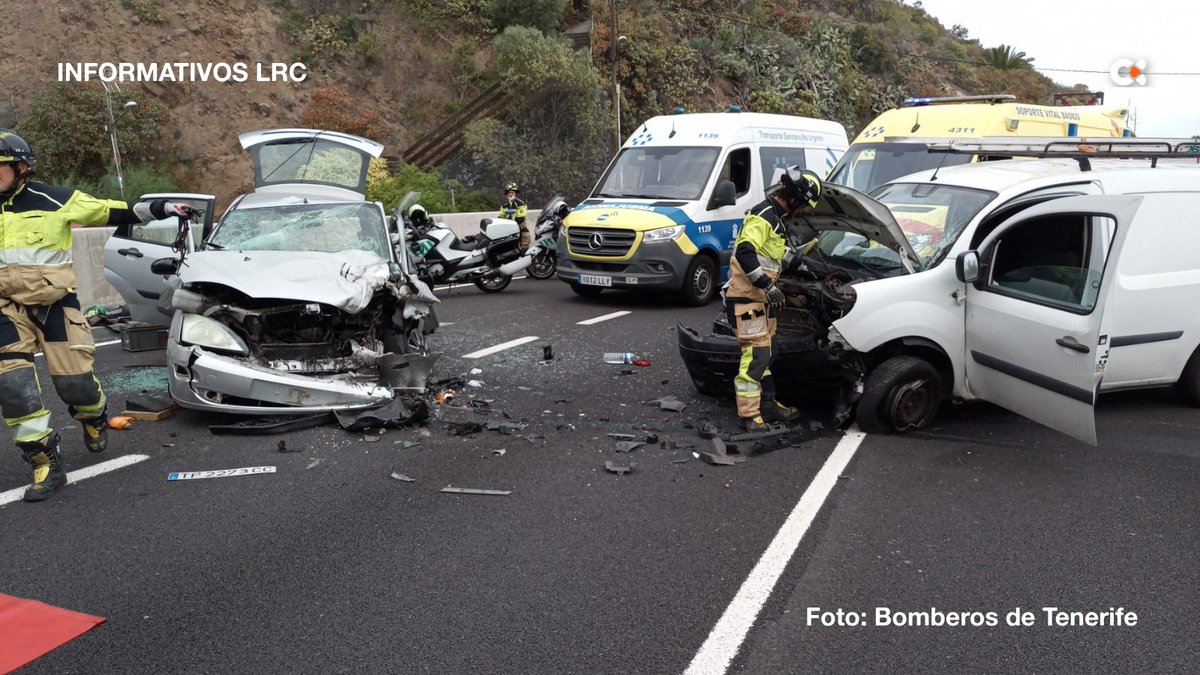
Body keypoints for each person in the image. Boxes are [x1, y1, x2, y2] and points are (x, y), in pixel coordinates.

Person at [0, 129, 194, 501]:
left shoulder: (54, 199)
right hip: (6, 310)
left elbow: (111, 208)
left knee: (76, 385)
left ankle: (94, 417)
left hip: (56, 305)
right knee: (13, 389)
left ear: (21, 167)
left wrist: (163, 208)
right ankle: (44, 462)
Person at [723, 166, 822, 432]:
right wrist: (767, 285)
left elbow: (775, 253)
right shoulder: (765, 215)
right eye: (804, 205)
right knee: (756, 355)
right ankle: (749, 415)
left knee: (768, 353)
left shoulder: (775, 219)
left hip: (759, 300)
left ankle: (767, 404)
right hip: (747, 300)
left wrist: (805, 267)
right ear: (794, 197)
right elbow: (745, 252)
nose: (803, 211)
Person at [498, 182, 529, 251]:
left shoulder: (521, 203)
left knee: (525, 236)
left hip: (520, 225)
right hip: (507, 226)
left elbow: (521, 217)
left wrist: (510, 219)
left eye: (512, 192)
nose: (510, 194)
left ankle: (524, 252)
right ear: (507, 194)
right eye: (509, 193)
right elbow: (501, 216)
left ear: (515, 193)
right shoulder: (504, 205)